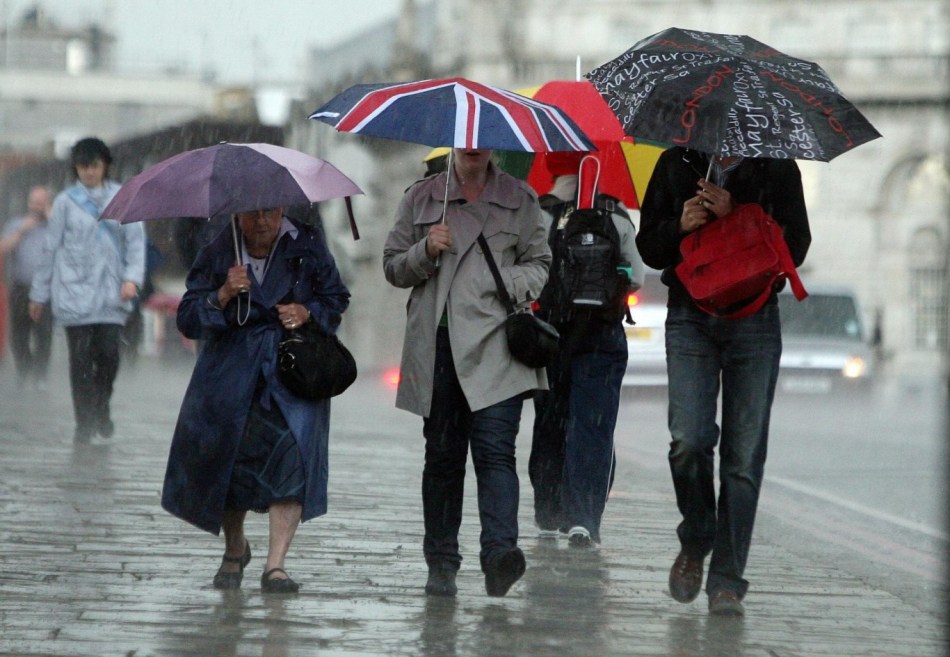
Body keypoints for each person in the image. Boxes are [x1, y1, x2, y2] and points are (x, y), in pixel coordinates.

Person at [637, 146, 811, 616]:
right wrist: (680, 225)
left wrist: (740, 214)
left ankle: (727, 581)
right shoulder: (678, 163)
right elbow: (649, 247)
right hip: (691, 317)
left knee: (743, 458)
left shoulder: (776, 168)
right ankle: (696, 536)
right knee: (688, 440)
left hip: (754, 320)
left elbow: (795, 246)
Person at [383, 148, 551, 598]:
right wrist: (425, 249)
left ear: (494, 143)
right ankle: (441, 562)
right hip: (437, 346)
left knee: (496, 453)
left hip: (498, 343)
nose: (474, 144)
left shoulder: (521, 198)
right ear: (454, 142)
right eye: (465, 135)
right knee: (442, 457)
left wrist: (501, 286)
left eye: (482, 136)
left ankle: (499, 555)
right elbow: (393, 266)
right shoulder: (422, 198)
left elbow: (541, 264)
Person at [161, 206, 350, 594]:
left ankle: (276, 565)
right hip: (232, 375)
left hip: (293, 372)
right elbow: (188, 317)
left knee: (293, 464)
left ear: (282, 211)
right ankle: (235, 548)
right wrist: (223, 294)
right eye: (251, 214)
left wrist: (307, 311)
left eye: (269, 213)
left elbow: (336, 297)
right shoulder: (219, 248)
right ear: (237, 215)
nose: (261, 222)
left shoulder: (308, 243)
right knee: (231, 466)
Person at [528, 162, 645, 548]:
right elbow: (638, 276)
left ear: (549, 165)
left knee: (550, 422)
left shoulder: (538, 211)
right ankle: (584, 518)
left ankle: (548, 512)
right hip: (602, 334)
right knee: (593, 426)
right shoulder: (615, 214)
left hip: (550, 336)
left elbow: (529, 273)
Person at [29, 138, 146, 443]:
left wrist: (132, 278)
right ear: (76, 168)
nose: (89, 171)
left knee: (108, 356)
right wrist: (38, 295)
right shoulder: (66, 203)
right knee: (80, 362)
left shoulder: (123, 198)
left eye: (94, 165)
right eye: (83, 166)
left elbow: (135, 243)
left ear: (104, 164)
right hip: (73, 294)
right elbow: (50, 249)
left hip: (111, 294)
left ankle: (101, 405)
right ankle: (84, 422)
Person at [1, 185, 53, 389]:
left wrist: (54, 219)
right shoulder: (16, 224)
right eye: (33, 202)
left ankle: (41, 376)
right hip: (21, 287)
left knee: (43, 334)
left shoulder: (55, 226)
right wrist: (22, 231)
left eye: (41, 202)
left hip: (46, 290)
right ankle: (24, 370)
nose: (36, 206)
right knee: (19, 335)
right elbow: (3, 248)